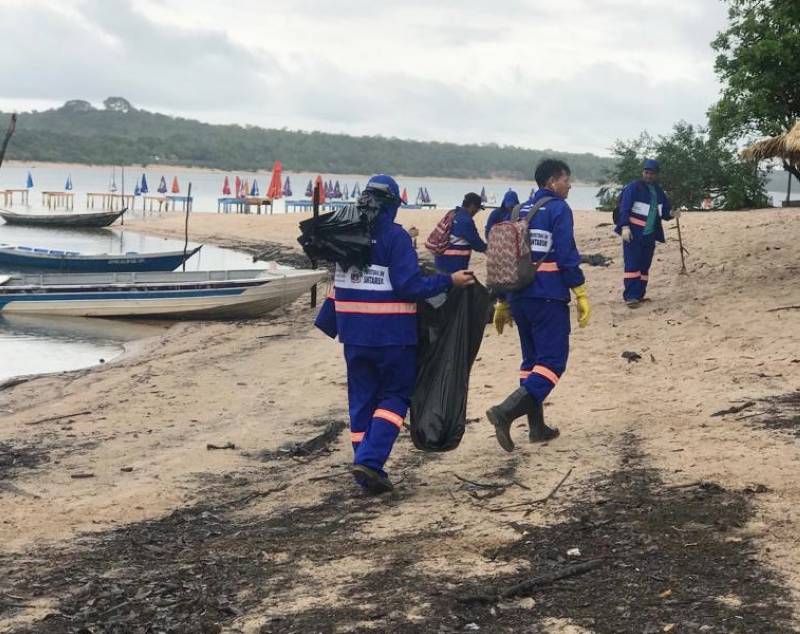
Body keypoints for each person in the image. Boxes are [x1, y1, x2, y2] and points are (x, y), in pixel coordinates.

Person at [315, 174, 475, 494]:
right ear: (392, 205)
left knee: (362, 402)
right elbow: (409, 286)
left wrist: (331, 322)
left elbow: (340, 284)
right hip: (392, 336)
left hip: (354, 335)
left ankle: (363, 470)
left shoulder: (348, 233)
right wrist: (449, 281)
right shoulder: (395, 236)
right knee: (395, 397)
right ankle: (371, 462)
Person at [486, 159, 590, 450]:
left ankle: (537, 428)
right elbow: (566, 252)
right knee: (553, 362)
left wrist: (503, 301)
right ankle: (504, 412)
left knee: (531, 362)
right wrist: (579, 289)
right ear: (552, 182)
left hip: (519, 296)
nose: (569, 185)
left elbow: (507, 259)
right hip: (548, 295)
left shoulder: (518, 210)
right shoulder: (559, 209)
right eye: (566, 179)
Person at [615, 159, 679, 307]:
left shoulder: (658, 191)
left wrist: (672, 213)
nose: (648, 175)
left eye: (651, 173)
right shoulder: (633, 188)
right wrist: (624, 227)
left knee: (644, 265)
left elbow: (664, 211)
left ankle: (639, 294)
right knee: (632, 264)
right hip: (632, 233)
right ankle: (631, 296)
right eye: (646, 172)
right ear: (643, 172)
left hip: (649, 234)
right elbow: (624, 208)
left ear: (656, 175)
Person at [434, 192, 488, 274]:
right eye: (478, 209)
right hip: (453, 265)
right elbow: (476, 243)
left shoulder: (453, 213)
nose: (477, 212)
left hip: (440, 260)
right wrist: (490, 252)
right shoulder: (466, 220)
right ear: (472, 206)